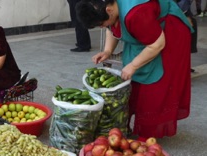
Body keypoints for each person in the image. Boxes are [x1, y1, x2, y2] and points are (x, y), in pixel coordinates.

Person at [75, 0, 193, 141]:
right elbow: (111, 26)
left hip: (169, 33)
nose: (102, 27)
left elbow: (157, 44)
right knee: (134, 78)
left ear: (109, 10)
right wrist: (107, 51)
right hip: (144, 31)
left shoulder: (136, 14)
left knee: (155, 84)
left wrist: (133, 65)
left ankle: (148, 132)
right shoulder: (108, 8)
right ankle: (126, 125)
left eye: (100, 24)